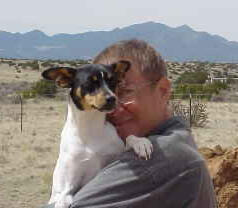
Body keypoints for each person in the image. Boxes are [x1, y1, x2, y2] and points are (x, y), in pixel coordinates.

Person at [44, 39, 217, 208]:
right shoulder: (180, 140)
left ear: (163, 90)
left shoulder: (158, 158)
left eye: (125, 91)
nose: (113, 103)